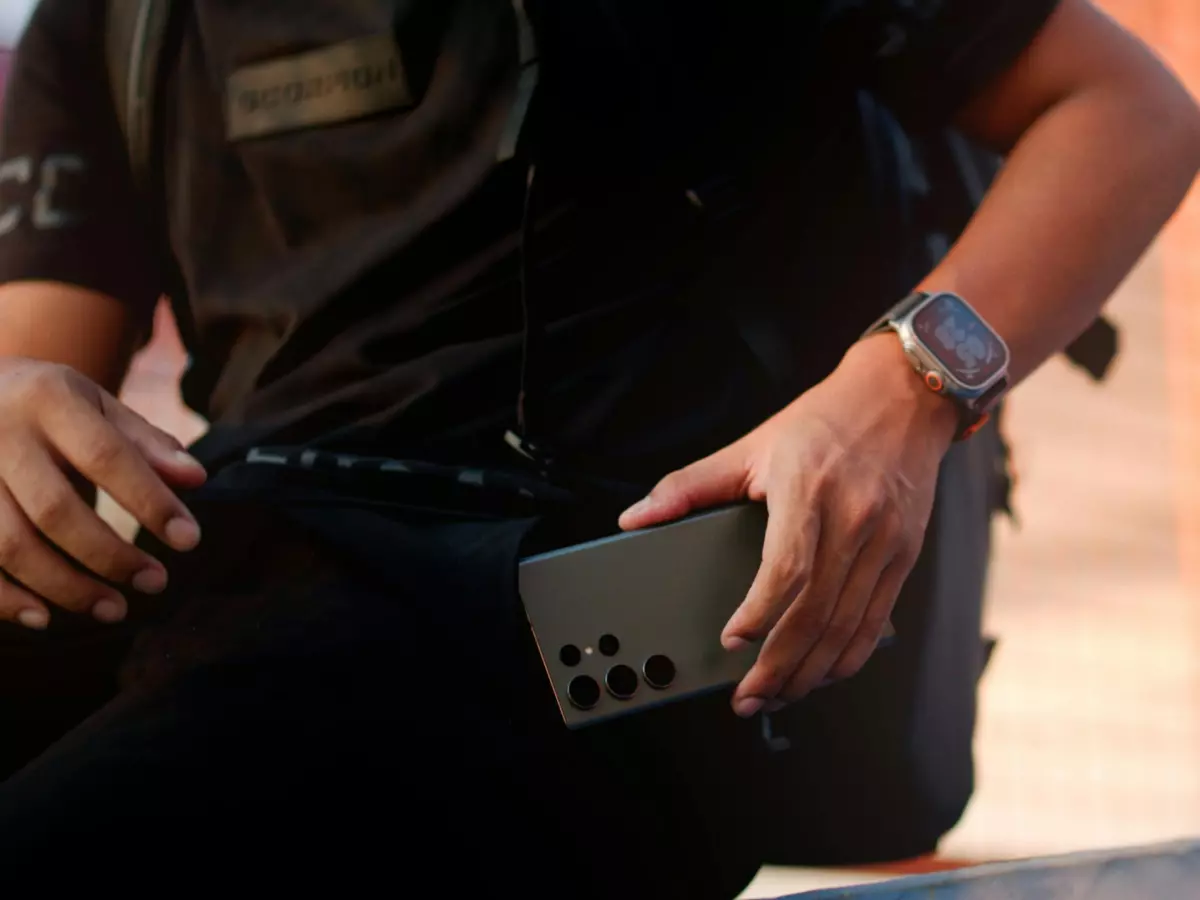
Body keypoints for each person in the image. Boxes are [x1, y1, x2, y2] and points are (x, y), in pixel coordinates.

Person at [0, 0, 1196, 894]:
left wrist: (901, 395)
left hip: (606, 617)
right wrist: (15, 406)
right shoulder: (113, 19)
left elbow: (1129, 109)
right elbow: (45, 369)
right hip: (246, 572)